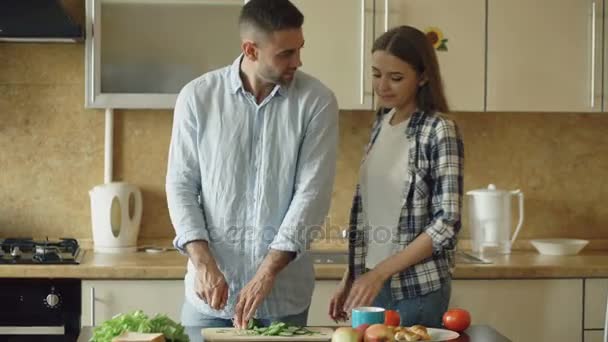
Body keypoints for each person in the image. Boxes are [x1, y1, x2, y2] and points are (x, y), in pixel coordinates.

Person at [165, 0, 338, 340]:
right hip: (210, 300)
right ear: (250, 49)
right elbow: (181, 184)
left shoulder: (316, 101)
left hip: (283, 301)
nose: (298, 62)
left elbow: (311, 194)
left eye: (300, 50)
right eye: (286, 53)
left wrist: (266, 274)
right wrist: (204, 264)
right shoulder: (198, 97)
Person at [328, 25, 464, 328]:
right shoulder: (382, 121)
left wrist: (378, 274)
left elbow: (447, 223)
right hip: (372, 283)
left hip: (415, 290)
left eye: (396, 77)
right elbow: (374, 214)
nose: (382, 86)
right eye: (376, 74)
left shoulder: (439, 130)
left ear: (424, 76)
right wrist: (350, 277)